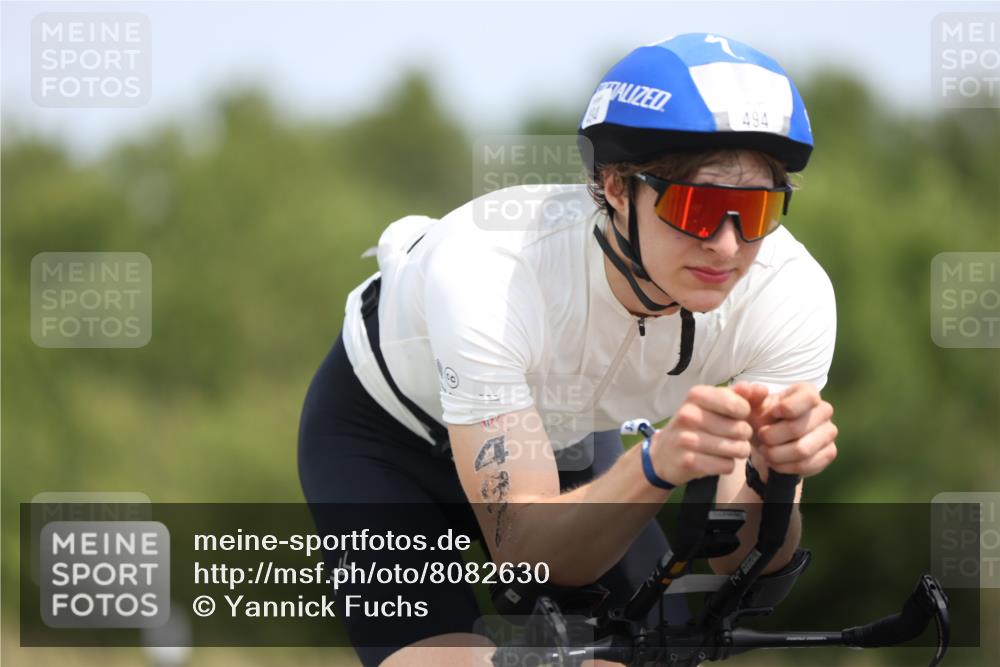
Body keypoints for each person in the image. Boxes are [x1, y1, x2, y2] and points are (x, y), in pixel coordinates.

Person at [299, 32, 838, 667]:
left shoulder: (789, 291)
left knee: (650, 654)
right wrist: (655, 465)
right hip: (384, 436)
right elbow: (525, 549)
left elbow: (743, 559)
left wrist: (777, 474)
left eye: (757, 211)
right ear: (615, 186)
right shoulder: (491, 270)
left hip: (563, 431)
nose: (728, 246)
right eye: (698, 207)